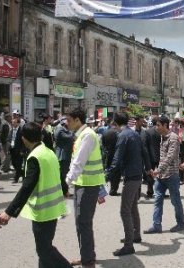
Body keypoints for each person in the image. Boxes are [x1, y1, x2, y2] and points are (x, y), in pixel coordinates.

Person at [0, 122, 70, 267]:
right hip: (54, 208)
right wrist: (65, 189)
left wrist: (9, 212)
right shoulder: (48, 151)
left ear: (23, 139)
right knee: (45, 249)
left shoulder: (35, 157)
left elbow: (26, 188)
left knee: (44, 250)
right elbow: (59, 175)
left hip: (43, 212)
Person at [65, 108, 106, 268]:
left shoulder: (87, 135)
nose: (66, 124)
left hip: (89, 185)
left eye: (68, 120)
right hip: (82, 184)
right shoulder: (82, 134)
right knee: (80, 222)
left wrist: (66, 183)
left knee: (83, 223)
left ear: (77, 120)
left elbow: (78, 163)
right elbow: (75, 161)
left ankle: (88, 262)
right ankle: (86, 256)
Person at [108, 112, 152, 256]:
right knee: (132, 207)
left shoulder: (122, 136)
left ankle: (128, 245)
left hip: (131, 177)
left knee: (125, 210)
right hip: (137, 175)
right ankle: (136, 235)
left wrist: (106, 176)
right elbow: (144, 152)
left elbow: (117, 159)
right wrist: (148, 168)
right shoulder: (134, 134)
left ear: (115, 123)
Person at [144, 116, 184, 234]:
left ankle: (181, 223)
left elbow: (170, 157)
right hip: (161, 176)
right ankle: (156, 225)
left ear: (165, 125)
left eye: (158, 125)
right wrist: (157, 170)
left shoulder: (173, 138)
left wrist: (158, 170)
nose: (156, 127)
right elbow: (162, 157)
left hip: (171, 175)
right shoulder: (162, 137)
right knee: (157, 200)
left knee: (175, 200)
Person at [54, 117, 74, 196]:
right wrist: (73, 131)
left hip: (64, 155)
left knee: (62, 174)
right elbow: (69, 137)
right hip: (62, 156)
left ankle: (63, 191)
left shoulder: (63, 129)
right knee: (63, 175)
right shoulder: (60, 130)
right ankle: (65, 191)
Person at [102, 121, 121, 196]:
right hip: (116, 155)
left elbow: (103, 144)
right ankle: (113, 190)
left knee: (108, 169)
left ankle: (105, 187)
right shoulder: (118, 133)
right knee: (116, 173)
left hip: (108, 155)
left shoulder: (105, 132)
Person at [145, 116, 160, 198]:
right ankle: (160, 191)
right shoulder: (161, 131)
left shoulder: (147, 131)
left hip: (150, 156)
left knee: (150, 174)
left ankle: (150, 191)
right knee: (161, 174)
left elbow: (145, 145)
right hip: (160, 156)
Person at [9, 118, 24, 183]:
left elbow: (23, 141)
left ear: (18, 123)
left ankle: (16, 179)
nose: (13, 123)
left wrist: (22, 150)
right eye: (12, 122)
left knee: (18, 165)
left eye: (14, 122)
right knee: (13, 163)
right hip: (12, 149)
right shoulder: (11, 130)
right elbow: (9, 138)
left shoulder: (21, 130)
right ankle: (23, 174)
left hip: (19, 149)